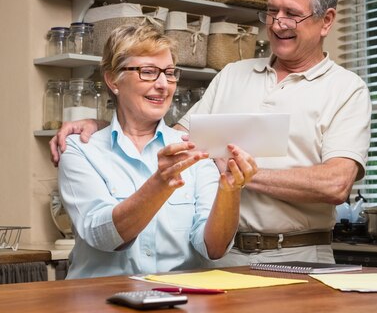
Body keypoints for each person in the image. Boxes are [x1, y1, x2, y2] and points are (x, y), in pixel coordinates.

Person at [51, 0, 371, 266]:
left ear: (326, 20)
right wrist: (105, 124)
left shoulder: (346, 89)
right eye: (272, 10)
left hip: (298, 253)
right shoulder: (232, 74)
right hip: (218, 256)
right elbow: (175, 143)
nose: (278, 23)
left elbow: (335, 185)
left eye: (292, 13)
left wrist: (241, 175)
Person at [57, 23, 257, 278]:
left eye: (170, 72)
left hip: (181, 305)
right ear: (113, 79)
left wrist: (229, 191)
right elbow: (103, 236)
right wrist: (159, 185)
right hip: (102, 307)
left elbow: (213, 249)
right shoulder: (80, 149)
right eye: (148, 72)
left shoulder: (193, 148)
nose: (164, 84)